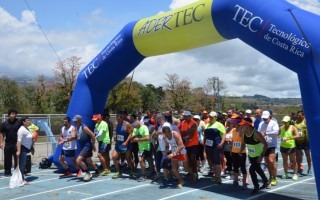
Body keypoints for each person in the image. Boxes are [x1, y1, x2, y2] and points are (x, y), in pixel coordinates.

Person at [239, 118, 269, 195]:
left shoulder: (256, 134)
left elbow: (265, 145)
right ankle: (266, 181)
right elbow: (243, 143)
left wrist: (261, 156)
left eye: (243, 125)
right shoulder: (244, 134)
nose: (241, 126)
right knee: (258, 169)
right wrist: (240, 151)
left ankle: (256, 187)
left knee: (252, 170)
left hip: (258, 156)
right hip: (251, 156)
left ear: (247, 125)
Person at [74, 115, 100, 181]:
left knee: (78, 160)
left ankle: (87, 173)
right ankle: (97, 171)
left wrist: (93, 144)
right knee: (89, 161)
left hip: (87, 146)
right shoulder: (77, 127)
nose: (74, 122)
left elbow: (93, 135)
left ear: (79, 121)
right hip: (84, 146)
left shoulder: (84, 127)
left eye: (76, 121)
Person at [204, 111, 226, 184]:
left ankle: (218, 177)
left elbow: (223, 134)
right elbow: (205, 136)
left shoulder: (219, 124)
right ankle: (215, 175)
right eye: (209, 117)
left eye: (211, 117)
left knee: (217, 162)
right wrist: (204, 145)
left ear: (215, 118)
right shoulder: (207, 125)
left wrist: (222, 142)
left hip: (216, 145)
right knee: (211, 161)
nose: (210, 118)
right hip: (209, 146)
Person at [258, 110, 279, 186]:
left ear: (269, 117)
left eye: (266, 118)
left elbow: (276, 132)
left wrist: (267, 133)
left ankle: (274, 177)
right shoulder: (261, 124)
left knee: (271, 161)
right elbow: (258, 133)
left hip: (272, 145)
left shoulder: (274, 123)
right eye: (263, 118)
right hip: (264, 145)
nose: (265, 120)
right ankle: (270, 176)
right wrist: (260, 135)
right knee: (267, 163)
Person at [163, 123, 187, 188]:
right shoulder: (165, 137)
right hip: (174, 153)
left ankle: (194, 174)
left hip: (182, 152)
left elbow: (181, 145)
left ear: (170, 131)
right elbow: (167, 145)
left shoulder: (175, 134)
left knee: (186, 169)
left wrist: (174, 153)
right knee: (174, 169)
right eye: (165, 134)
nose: (167, 136)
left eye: (168, 134)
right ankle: (181, 180)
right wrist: (166, 151)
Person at [112, 111, 135, 179]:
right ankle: (119, 171)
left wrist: (126, 141)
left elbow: (131, 133)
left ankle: (133, 170)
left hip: (126, 144)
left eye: (119, 119)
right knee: (114, 157)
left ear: (122, 118)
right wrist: (116, 137)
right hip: (118, 143)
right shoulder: (116, 124)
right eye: (117, 119)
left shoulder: (127, 124)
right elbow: (117, 132)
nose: (118, 120)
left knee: (128, 159)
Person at [180, 110, 199, 183]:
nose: (184, 118)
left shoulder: (194, 123)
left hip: (193, 144)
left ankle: (195, 172)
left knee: (192, 158)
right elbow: (182, 133)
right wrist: (187, 132)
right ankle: (191, 173)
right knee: (188, 159)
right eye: (184, 117)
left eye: (186, 117)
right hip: (187, 144)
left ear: (189, 116)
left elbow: (191, 134)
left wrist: (187, 133)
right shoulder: (183, 122)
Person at [0, 108, 20, 176]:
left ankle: (17, 171)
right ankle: (7, 172)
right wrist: (1, 142)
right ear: (9, 115)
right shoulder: (4, 124)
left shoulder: (19, 122)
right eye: (13, 114)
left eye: (15, 114)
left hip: (16, 144)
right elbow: (1, 133)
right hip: (8, 144)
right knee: (7, 159)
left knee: (17, 158)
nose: (14, 115)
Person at [279, 116, 299, 181]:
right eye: (283, 122)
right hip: (283, 146)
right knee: (285, 160)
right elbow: (277, 134)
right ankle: (285, 173)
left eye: (286, 122)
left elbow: (298, 135)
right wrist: (280, 137)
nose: (284, 123)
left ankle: (295, 174)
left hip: (291, 146)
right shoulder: (281, 128)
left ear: (289, 121)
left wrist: (289, 138)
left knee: (293, 161)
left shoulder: (293, 127)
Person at [16, 117, 33, 185]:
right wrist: (18, 151)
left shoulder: (27, 129)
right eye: (27, 120)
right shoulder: (21, 130)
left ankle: (21, 178)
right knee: (22, 165)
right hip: (22, 149)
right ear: (23, 122)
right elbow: (19, 141)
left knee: (24, 164)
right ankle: (21, 180)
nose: (29, 121)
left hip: (27, 149)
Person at [294, 111, 312, 175]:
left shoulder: (305, 121)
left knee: (308, 155)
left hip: (305, 141)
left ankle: (309, 169)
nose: (298, 116)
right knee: (298, 155)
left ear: (303, 116)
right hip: (298, 141)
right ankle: (299, 168)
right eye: (297, 115)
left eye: (299, 115)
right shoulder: (295, 122)